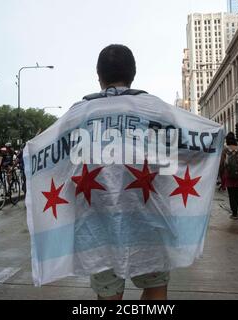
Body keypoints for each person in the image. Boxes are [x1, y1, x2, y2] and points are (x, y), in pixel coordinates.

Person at [83, 44, 171, 300]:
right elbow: (174, 159)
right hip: (149, 218)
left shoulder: (80, 114)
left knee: (109, 296)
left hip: (100, 223)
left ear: (98, 75)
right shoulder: (156, 110)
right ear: (133, 73)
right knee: (155, 289)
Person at [219, 132, 238, 219]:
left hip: (228, 174)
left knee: (231, 194)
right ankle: (236, 210)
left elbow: (221, 164)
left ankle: (234, 212)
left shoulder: (225, 150)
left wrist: (221, 174)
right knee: (237, 194)